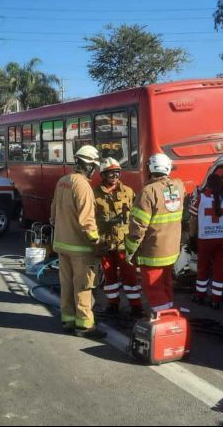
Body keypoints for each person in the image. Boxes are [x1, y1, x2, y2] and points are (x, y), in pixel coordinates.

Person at [50, 145, 107, 339]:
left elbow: (53, 212)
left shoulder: (63, 181)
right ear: (89, 165)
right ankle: (84, 325)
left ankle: (68, 320)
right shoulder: (83, 186)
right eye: (94, 167)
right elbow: (87, 221)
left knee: (66, 284)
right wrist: (97, 241)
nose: (95, 171)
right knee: (83, 286)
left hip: (61, 244)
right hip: (80, 248)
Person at [125, 153, 185, 315]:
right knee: (165, 284)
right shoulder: (179, 187)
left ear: (150, 168)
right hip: (171, 251)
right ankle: (171, 314)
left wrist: (130, 250)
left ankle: (165, 320)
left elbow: (137, 227)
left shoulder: (148, 192)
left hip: (152, 252)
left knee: (153, 287)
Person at [93, 158, 142, 318]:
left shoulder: (128, 191)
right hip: (105, 242)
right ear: (103, 174)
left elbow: (136, 215)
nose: (114, 175)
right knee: (110, 277)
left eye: (116, 172)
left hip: (123, 243)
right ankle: (113, 304)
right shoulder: (95, 193)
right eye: (110, 173)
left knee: (130, 277)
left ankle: (136, 306)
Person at [189, 173, 223, 310]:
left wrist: (192, 237)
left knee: (203, 267)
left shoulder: (201, 198)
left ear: (208, 184)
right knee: (219, 268)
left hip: (205, 240)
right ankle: (216, 300)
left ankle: (200, 295)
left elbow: (193, 220)